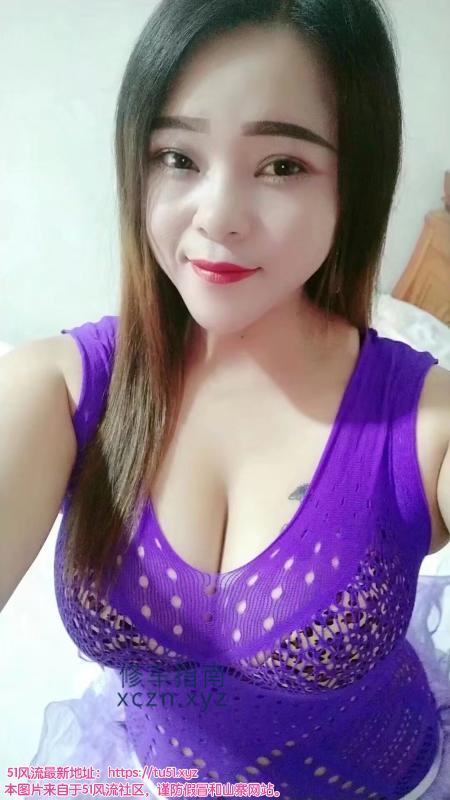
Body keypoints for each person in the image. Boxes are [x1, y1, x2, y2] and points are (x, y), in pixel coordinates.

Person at [1, 0, 450, 798]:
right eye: (178, 157)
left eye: (282, 165)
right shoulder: (58, 387)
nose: (217, 218)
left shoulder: (424, 423)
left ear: (355, 181)